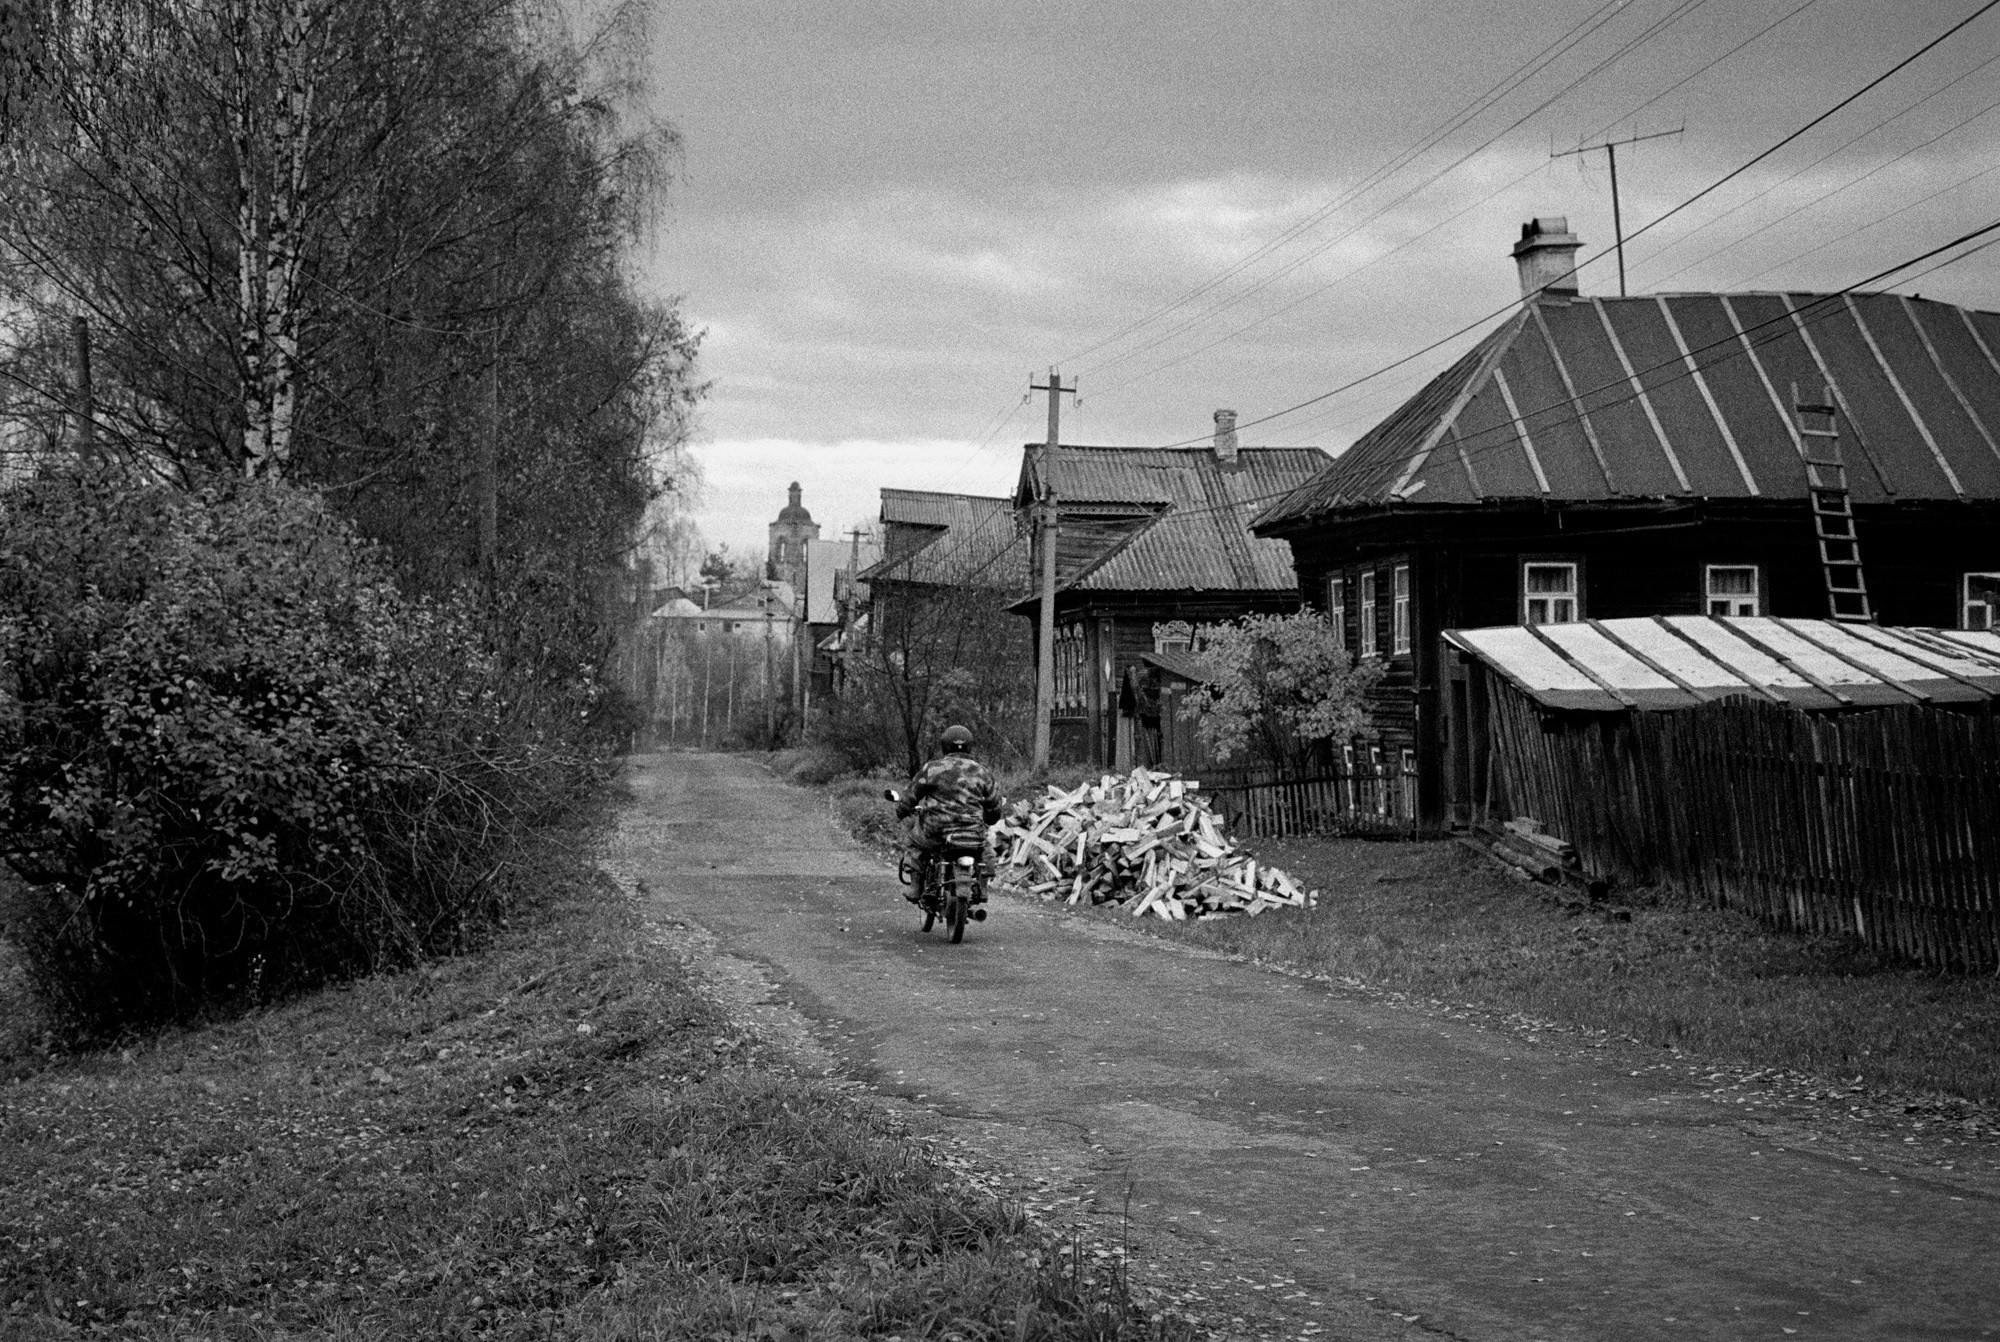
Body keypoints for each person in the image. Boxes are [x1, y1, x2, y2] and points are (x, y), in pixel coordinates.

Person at [895, 724, 1003, 902]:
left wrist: (902, 811)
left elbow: (910, 796)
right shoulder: (983, 772)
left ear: (944, 746)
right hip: (972, 831)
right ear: (969, 746)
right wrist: (990, 818)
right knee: (986, 849)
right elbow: (994, 806)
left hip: (936, 829)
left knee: (915, 843)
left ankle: (916, 887)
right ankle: (982, 886)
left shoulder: (932, 768)